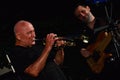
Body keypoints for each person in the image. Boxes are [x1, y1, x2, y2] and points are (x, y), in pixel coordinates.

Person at [64, 2, 115, 80]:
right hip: (100, 70)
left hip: (115, 62)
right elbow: (82, 51)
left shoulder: (106, 21)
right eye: (79, 16)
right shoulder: (81, 33)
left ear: (88, 8)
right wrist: (83, 51)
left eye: (83, 11)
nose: (82, 15)